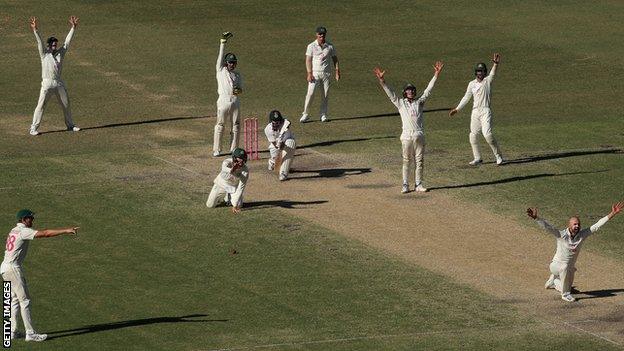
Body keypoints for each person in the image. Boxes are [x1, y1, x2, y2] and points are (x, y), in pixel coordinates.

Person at [1, 209, 78, 342]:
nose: (32, 220)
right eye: (30, 218)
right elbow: (46, 233)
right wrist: (66, 230)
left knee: (14, 299)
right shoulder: (24, 231)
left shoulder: (13, 230)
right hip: (13, 269)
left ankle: (12, 331)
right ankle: (30, 333)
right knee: (24, 300)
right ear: (24, 219)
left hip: (4, 268)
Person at [526, 201, 624, 302]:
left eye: (578, 224)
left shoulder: (582, 235)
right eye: (575, 224)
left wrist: (612, 214)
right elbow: (548, 227)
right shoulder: (561, 235)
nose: (577, 226)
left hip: (569, 268)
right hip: (555, 266)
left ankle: (554, 282)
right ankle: (565, 294)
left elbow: (596, 226)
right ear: (569, 225)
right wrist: (536, 218)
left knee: (568, 278)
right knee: (564, 271)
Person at [374, 62, 444, 193]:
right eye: (408, 90)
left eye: (412, 90)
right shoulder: (400, 103)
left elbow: (428, 90)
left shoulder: (420, 102)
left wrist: (436, 74)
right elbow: (390, 94)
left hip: (419, 135)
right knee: (406, 161)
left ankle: (418, 184)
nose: (410, 92)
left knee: (419, 161)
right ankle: (405, 184)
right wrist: (382, 80)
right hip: (406, 135)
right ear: (405, 92)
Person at [29, 16, 81, 136]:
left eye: (55, 45)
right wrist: (35, 30)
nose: (55, 46)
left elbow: (67, 43)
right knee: (40, 106)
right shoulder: (44, 54)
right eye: (52, 45)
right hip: (47, 83)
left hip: (58, 83)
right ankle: (33, 128)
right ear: (48, 45)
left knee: (66, 104)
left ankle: (70, 126)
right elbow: (39, 42)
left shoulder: (60, 53)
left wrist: (73, 28)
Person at [449, 53, 504, 166]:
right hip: (475, 112)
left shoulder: (487, 81)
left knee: (487, 134)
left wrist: (495, 64)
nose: (480, 73)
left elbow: (493, 73)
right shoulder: (471, 84)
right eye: (479, 71)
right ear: (476, 72)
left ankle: (498, 156)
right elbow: (466, 97)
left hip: (485, 111)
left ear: (485, 72)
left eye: (482, 71)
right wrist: (457, 109)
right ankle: (477, 158)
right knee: (473, 135)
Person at [299, 26, 340, 123]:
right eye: (320, 34)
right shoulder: (311, 46)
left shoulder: (329, 46)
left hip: (326, 73)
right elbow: (308, 60)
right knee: (310, 93)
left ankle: (323, 114)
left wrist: (337, 70)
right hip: (315, 73)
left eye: (323, 34)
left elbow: (335, 58)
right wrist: (309, 73)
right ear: (316, 34)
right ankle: (305, 114)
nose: (322, 35)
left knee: (325, 95)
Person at [213, 32, 243, 157]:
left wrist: (236, 90)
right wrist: (222, 43)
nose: (232, 64)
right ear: (226, 63)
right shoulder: (220, 71)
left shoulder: (237, 75)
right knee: (220, 125)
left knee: (236, 126)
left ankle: (233, 149)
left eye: (233, 62)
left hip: (235, 101)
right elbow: (220, 58)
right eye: (230, 62)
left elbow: (240, 90)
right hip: (223, 101)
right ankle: (217, 150)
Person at [206, 148, 249, 213]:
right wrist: (232, 170)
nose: (241, 161)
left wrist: (235, 205)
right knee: (210, 205)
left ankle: (228, 197)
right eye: (240, 158)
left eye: (243, 159)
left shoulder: (245, 170)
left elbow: (241, 187)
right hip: (221, 183)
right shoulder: (226, 161)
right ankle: (225, 195)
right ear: (234, 158)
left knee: (239, 205)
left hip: (233, 186)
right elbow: (224, 168)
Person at [264, 110, 296, 181]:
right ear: (270, 122)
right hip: (276, 145)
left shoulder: (285, 123)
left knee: (291, 142)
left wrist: (283, 131)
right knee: (276, 162)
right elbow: (275, 145)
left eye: (278, 122)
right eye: (274, 122)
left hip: (287, 141)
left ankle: (283, 173)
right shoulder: (267, 129)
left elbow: (288, 122)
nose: (276, 124)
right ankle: (272, 161)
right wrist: (279, 145)